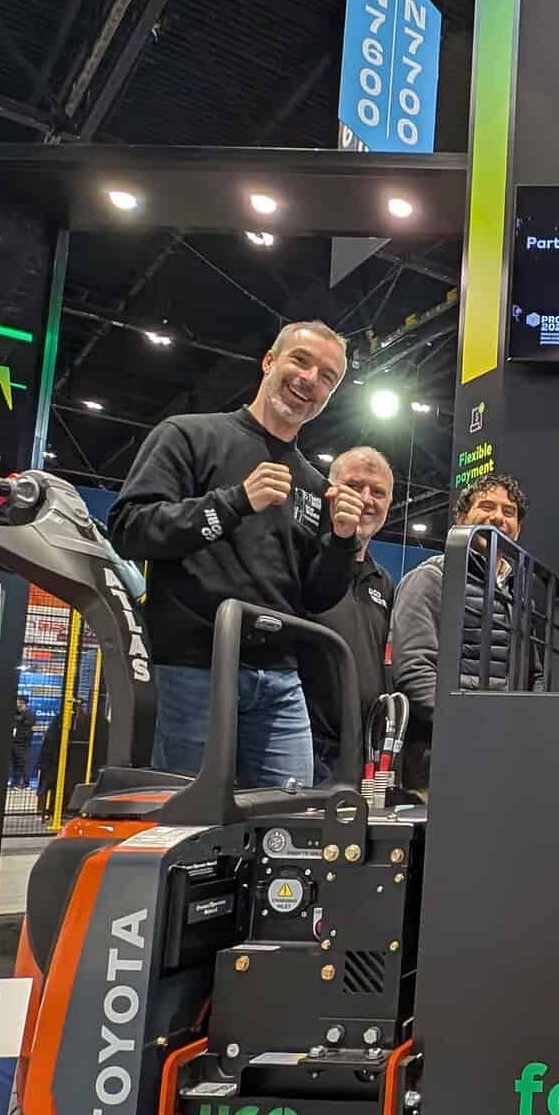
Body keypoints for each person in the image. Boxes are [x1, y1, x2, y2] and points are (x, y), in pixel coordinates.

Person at [108, 319, 366, 788]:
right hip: (193, 669)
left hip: (280, 680)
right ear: (270, 361)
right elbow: (130, 529)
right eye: (300, 361)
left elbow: (315, 596)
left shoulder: (313, 485)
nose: (310, 379)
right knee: (186, 825)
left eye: (327, 377)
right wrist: (233, 503)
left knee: (286, 824)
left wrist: (342, 542)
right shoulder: (187, 436)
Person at [390, 471, 533, 791]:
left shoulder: (518, 593)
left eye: (508, 512)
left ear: (518, 529)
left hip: (505, 753)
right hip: (441, 753)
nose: (498, 517)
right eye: (487, 506)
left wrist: (523, 729)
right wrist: (472, 727)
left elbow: (530, 673)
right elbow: (413, 669)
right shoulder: (429, 578)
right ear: (461, 517)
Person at [298, 445, 398, 784]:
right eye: (354, 486)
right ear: (330, 493)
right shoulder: (303, 561)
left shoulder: (383, 582)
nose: (366, 499)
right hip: (304, 748)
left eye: (378, 492)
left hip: (362, 755)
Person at [10, 694, 35, 788]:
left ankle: (25, 783)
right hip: (14, 742)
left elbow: (28, 726)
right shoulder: (16, 713)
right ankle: (15, 782)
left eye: (17, 701)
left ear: (22, 702)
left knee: (23, 763)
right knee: (15, 762)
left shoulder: (29, 714)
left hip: (23, 743)